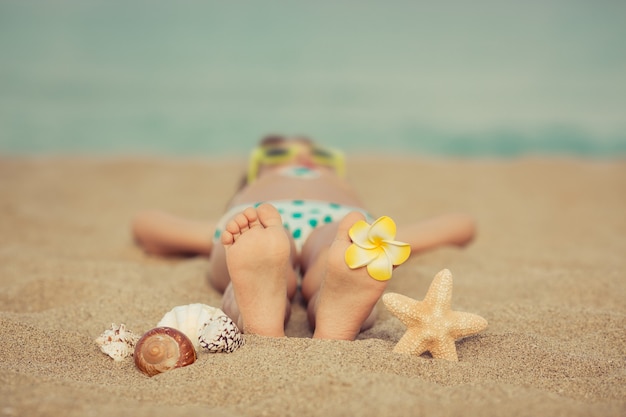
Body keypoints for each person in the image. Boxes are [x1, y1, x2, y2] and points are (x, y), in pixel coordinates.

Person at [132, 135, 476, 340]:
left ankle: (318, 297)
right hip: (271, 218)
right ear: (251, 176)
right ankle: (274, 292)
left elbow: (146, 224)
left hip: (334, 224)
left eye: (322, 157)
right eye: (277, 155)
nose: (302, 158)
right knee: (262, 244)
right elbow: (461, 225)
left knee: (339, 251)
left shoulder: (245, 217)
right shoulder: (248, 214)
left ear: (343, 178)